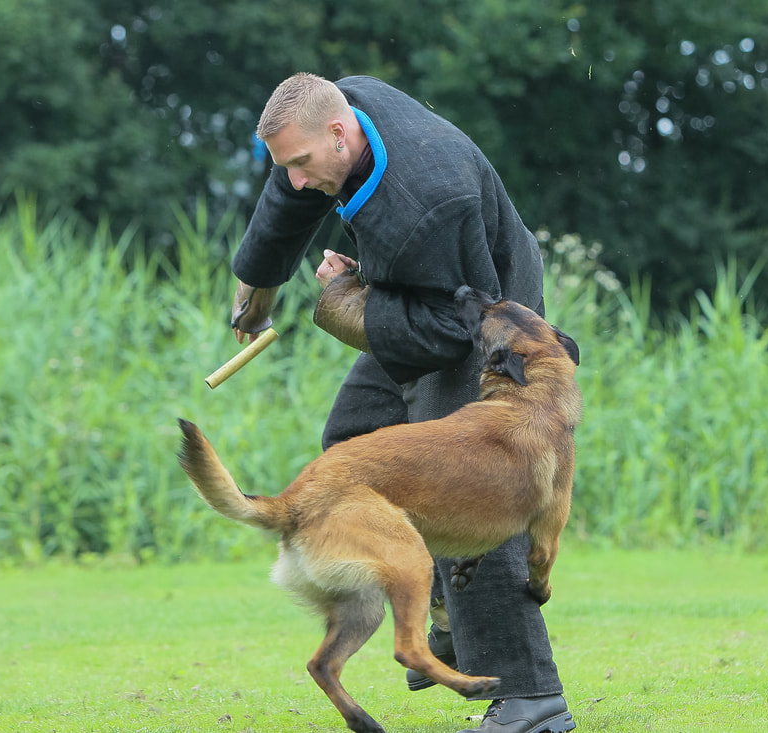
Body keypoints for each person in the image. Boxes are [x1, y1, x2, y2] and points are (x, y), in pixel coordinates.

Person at [228, 72, 576, 733]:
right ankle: (442, 607)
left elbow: (450, 329)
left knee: (478, 482)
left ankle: (530, 697)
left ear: (339, 134)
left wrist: (343, 301)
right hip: (416, 294)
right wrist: (259, 284)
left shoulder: (429, 202)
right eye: (285, 163)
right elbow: (288, 194)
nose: (296, 178)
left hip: (484, 318)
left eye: (302, 162)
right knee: (353, 440)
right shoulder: (341, 108)